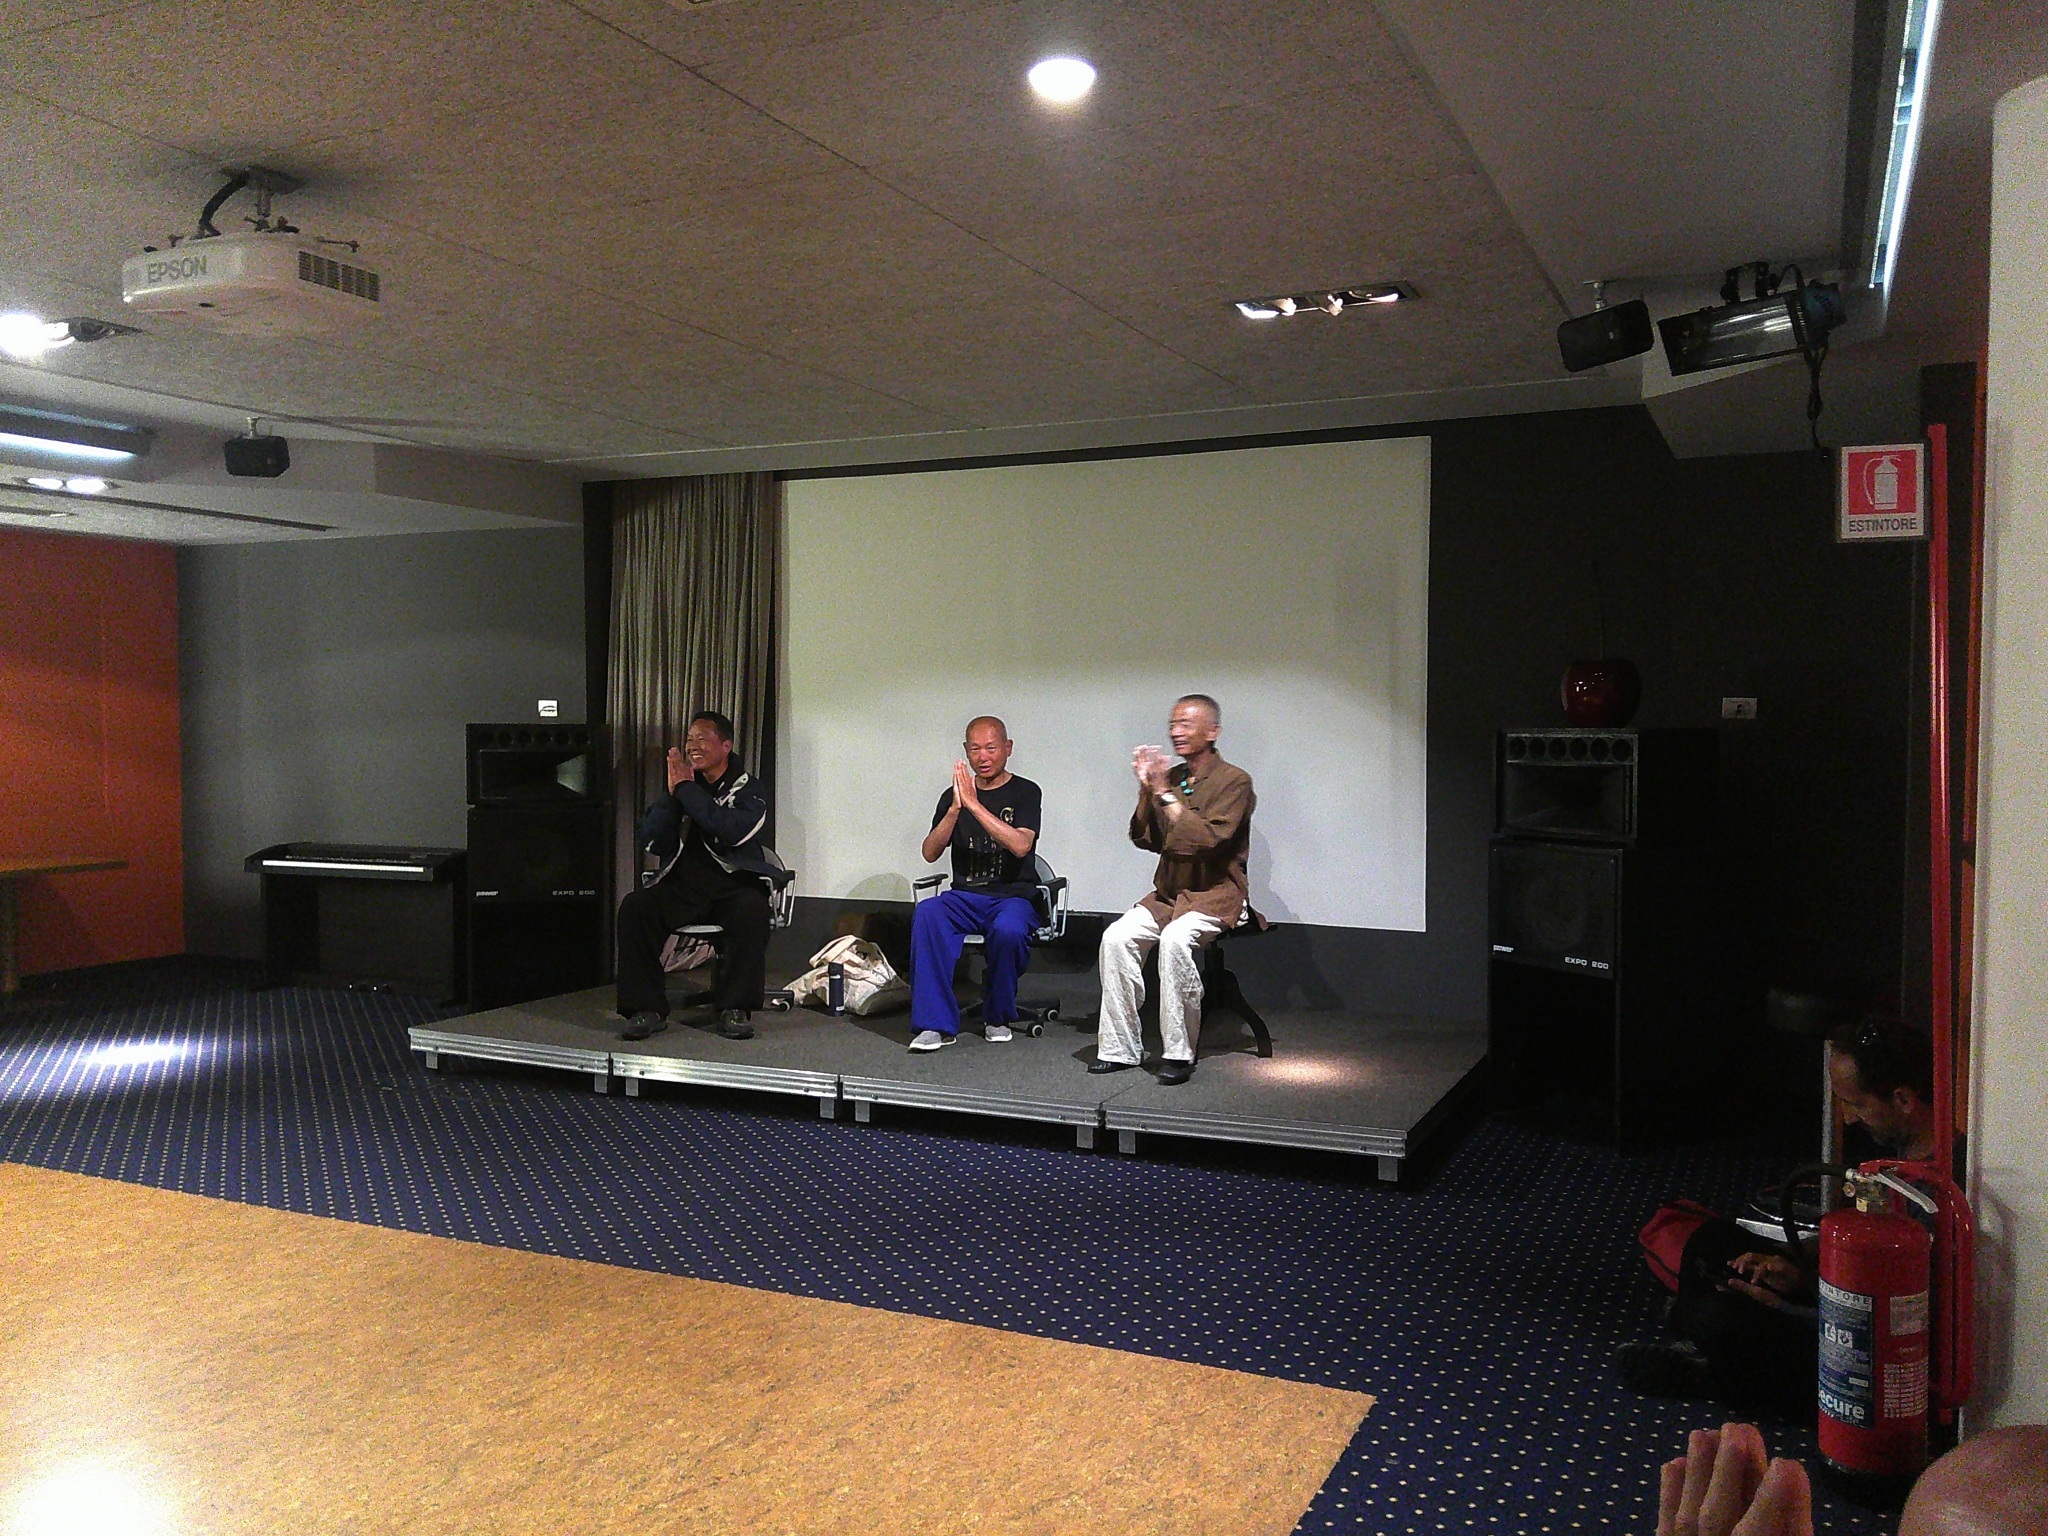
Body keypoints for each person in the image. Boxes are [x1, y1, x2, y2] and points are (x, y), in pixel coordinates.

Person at [1618, 1016, 1940, 1408]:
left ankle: (1709, 1371)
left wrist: (1789, 1307)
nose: (1849, 1118)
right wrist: (1792, 1269)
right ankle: (1706, 1344)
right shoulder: (1895, 1157)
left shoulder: (1937, 1194)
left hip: (1863, 1339)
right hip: (1838, 1294)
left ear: (1903, 1100)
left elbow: (1892, 1322)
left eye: (1856, 1104)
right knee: (1710, 1242)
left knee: (1722, 1318)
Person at [1092, 693, 1260, 1086]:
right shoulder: (1173, 778)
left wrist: (1164, 793)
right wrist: (1147, 790)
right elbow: (1147, 838)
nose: (1176, 732)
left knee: (1174, 941)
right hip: (1169, 895)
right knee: (1116, 938)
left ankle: (1179, 1052)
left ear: (1212, 731)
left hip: (1215, 895)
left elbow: (1206, 841)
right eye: (1173, 724)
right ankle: (1119, 1048)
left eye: (1185, 723)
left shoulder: (1235, 781)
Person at [614, 710, 774, 1043]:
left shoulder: (749, 788)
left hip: (733, 886)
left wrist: (686, 789)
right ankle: (646, 1009)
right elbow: (652, 839)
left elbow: (730, 830)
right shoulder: (684, 786)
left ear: (726, 746)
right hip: (684, 887)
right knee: (636, 908)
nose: (692, 746)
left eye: (702, 738)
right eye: (689, 739)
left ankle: (734, 1008)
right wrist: (672, 798)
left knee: (752, 910)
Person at [906, 716, 1043, 1052]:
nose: (983, 757)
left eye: (991, 748)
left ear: (1008, 749)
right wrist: (955, 809)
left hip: (1013, 896)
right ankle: (934, 1024)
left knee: (1009, 929)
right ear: (966, 751)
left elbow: (1021, 845)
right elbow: (929, 852)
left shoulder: (1026, 791)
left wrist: (975, 806)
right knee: (928, 913)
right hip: (965, 897)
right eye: (975, 749)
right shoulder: (953, 797)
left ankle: (997, 1015)